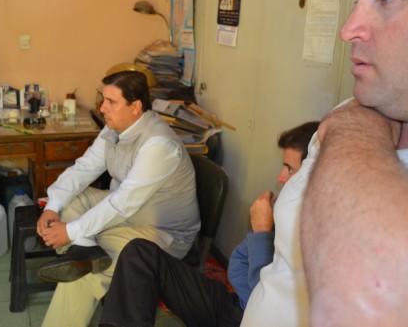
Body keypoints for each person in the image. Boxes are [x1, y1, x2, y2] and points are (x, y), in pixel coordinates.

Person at [242, 0, 408, 326]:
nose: (348, 30)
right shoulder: (361, 105)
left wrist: (351, 127)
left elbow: (379, 292)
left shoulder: (352, 122)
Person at [98, 121, 319, 327]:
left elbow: (265, 301)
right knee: (139, 253)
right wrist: (264, 230)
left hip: (252, 318)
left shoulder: (315, 233)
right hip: (236, 303)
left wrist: (262, 232)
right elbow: (240, 265)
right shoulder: (290, 209)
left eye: (290, 169)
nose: (281, 177)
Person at [36, 70, 201, 327]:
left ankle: (84, 254)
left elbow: (122, 203)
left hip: (161, 233)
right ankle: (85, 247)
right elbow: (84, 168)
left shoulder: (159, 145)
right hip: (126, 214)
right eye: (103, 99)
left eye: (111, 102)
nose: (102, 108)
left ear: (135, 107)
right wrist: (52, 207)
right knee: (67, 203)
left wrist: (70, 231)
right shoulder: (115, 128)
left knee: (86, 273)